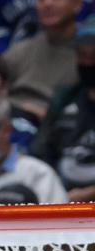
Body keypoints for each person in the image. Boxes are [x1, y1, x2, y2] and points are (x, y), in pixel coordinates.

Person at [30, 16, 95, 202]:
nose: (88, 63)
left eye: (93, 56)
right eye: (82, 55)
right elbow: (41, 153)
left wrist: (90, 193)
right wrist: (52, 189)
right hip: (60, 196)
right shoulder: (64, 98)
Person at [2, 0, 83, 111]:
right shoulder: (20, 50)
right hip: (11, 120)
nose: (47, 3)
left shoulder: (88, 53)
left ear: (77, 3)